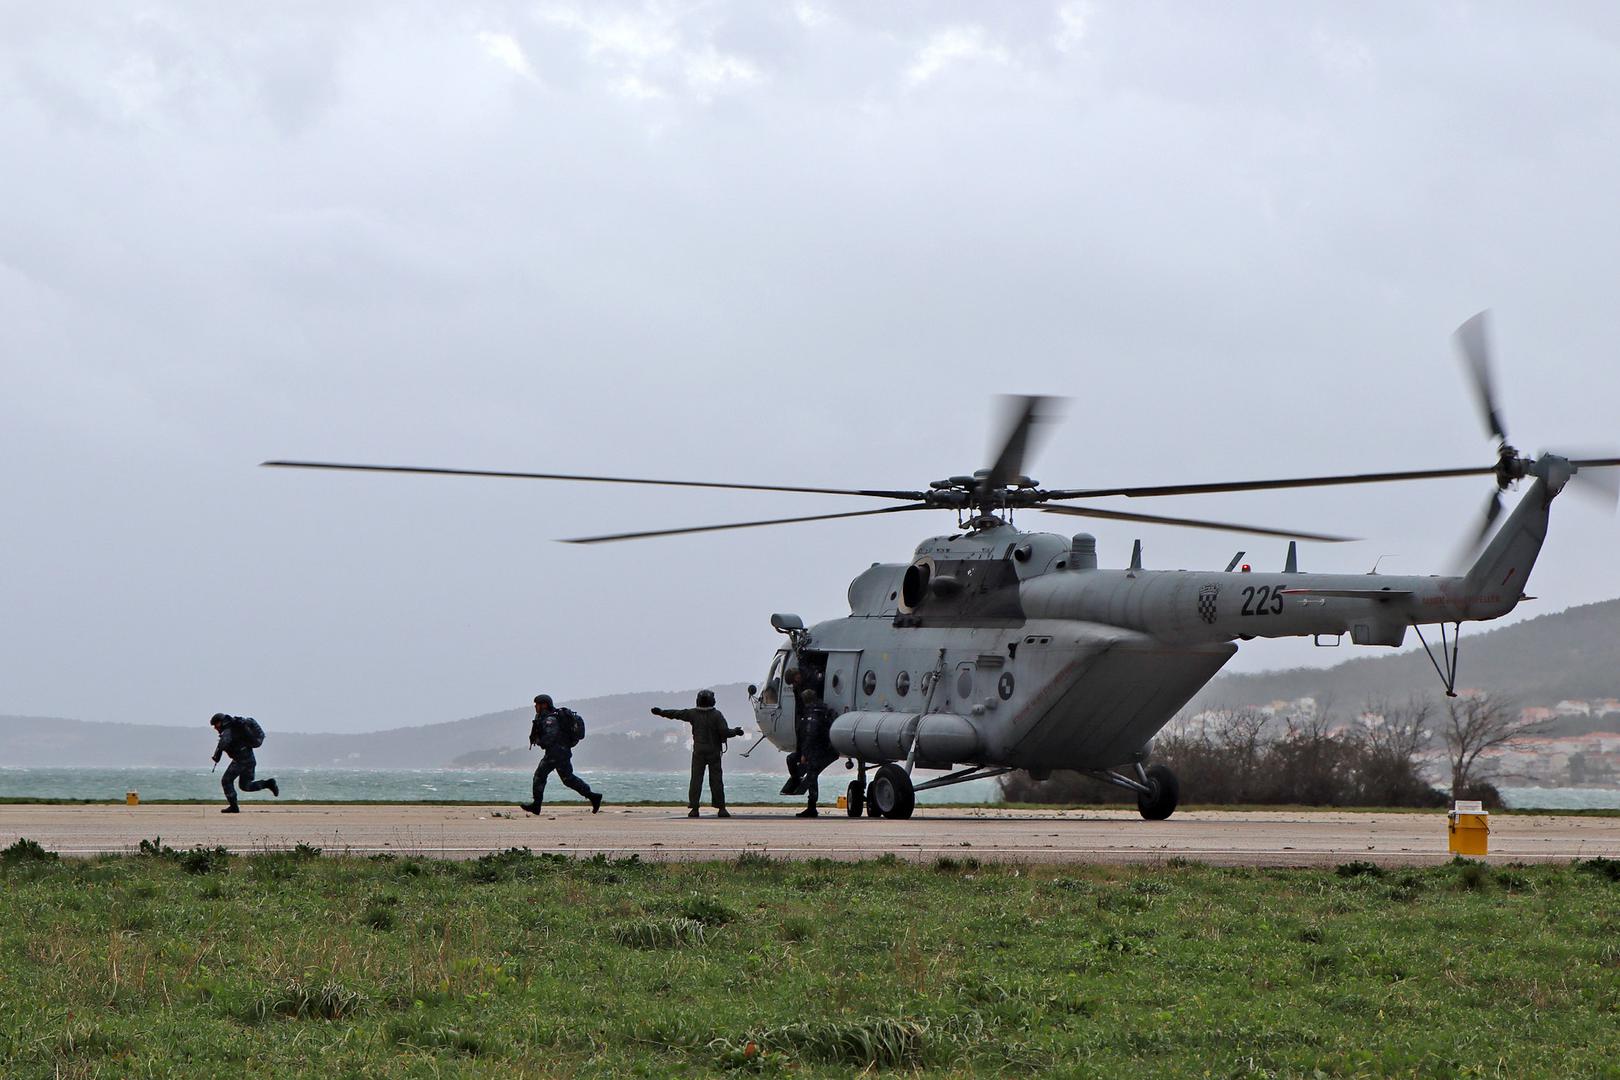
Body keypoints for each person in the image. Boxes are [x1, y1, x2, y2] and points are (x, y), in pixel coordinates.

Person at [652, 689, 746, 818]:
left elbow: (676, 713)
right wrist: (736, 731)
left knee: (696, 780)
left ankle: (694, 808)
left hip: (699, 752)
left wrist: (661, 712)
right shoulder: (717, 715)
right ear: (712, 701)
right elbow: (725, 732)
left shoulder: (692, 714)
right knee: (716, 780)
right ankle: (721, 808)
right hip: (714, 752)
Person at [520, 694, 603, 815]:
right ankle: (593, 796)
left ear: (544, 705)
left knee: (539, 776)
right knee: (568, 779)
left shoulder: (550, 719)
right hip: (562, 752)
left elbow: (550, 738)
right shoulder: (548, 717)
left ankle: (536, 806)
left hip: (556, 753)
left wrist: (539, 741)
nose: (535, 707)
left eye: (537, 704)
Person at [209, 712, 278, 813]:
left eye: (216, 724)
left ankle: (233, 807)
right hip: (250, 760)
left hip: (240, 761)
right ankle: (268, 783)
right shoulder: (236, 727)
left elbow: (223, 743)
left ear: (221, 722)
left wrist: (216, 756)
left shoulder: (229, 730)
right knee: (245, 786)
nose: (215, 728)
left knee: (226, 781)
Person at [791, 688, 837, 818]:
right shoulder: (822, 711)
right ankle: (810, 804)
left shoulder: (811, 715)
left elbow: (809, 735)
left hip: (814, 751)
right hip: (821, 748)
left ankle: (812, 807)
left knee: (812, 778)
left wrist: (804, 753)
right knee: (811, 776)